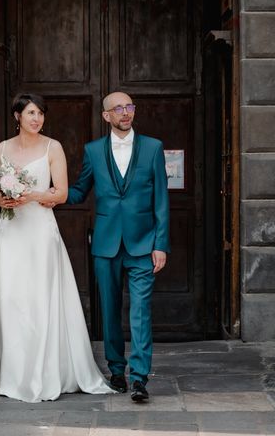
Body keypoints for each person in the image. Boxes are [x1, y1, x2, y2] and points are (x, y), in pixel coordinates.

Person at [0, 93, 115, 403]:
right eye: (31, 113)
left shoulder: (52, 147)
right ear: (17, 115)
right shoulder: (2, 148)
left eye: (41, 113)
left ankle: (45, 373)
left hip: (40, 231)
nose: (37, 119)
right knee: (10, 297)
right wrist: (3, 198)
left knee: (40, 297)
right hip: (11, 231)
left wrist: (29, 195)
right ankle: (15, 374)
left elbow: (61, 193)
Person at [65, 91, 170, 402]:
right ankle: (116, 370)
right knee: (109, 312)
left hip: (143, 244)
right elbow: (80, 191)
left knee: (140, 312)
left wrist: (160, 243)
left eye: (130, 107)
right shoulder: (93, 151)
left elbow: (161, 199)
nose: (126, 113)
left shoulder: (153, 148)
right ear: (106, 115)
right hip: (106, 244)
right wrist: (44, 192)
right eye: (118, 108)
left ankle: (139, 379)